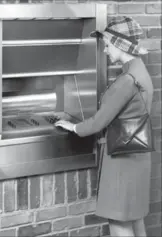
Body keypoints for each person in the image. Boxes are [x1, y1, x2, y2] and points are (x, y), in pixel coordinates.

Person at [55, 16, 153, 237]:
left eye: (107, 45)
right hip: (137, 156)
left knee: (118, 218)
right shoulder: (140, 73)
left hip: (122, 160)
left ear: (120, 44)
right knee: (134, 217)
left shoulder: (127, 80)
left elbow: (99, 122)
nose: (105, 51)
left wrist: (72, 127)